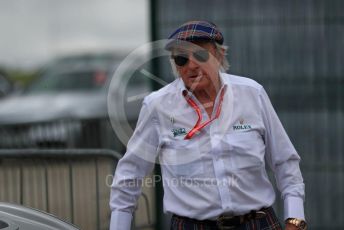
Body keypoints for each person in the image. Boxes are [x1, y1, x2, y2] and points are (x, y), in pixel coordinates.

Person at [109, 20, 307, 230]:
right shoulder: (157, 106)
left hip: (258, 223)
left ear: (219, 55)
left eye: (201, 54)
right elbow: (129, 176)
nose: (192, 65)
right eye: (182, 59)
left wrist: (295, 220)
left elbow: (285, 161)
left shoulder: (252, 93)